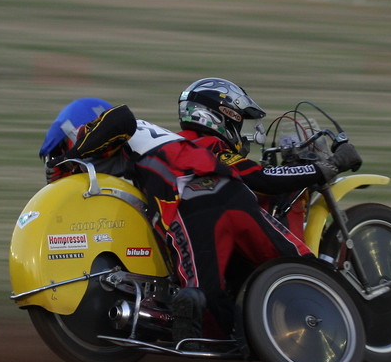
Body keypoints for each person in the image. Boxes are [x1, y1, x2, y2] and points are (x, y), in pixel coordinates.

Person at [126, 77, 363, 343]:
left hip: (185, 214)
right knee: (301, 267)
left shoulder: (169, 144)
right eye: (239, 120)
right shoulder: (208, 145)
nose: (243, 129)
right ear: (220, 116)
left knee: (203, 296)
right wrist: (328, 166)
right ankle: (338, 327)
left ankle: (205, 321)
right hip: (230, 202)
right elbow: (262, 178)